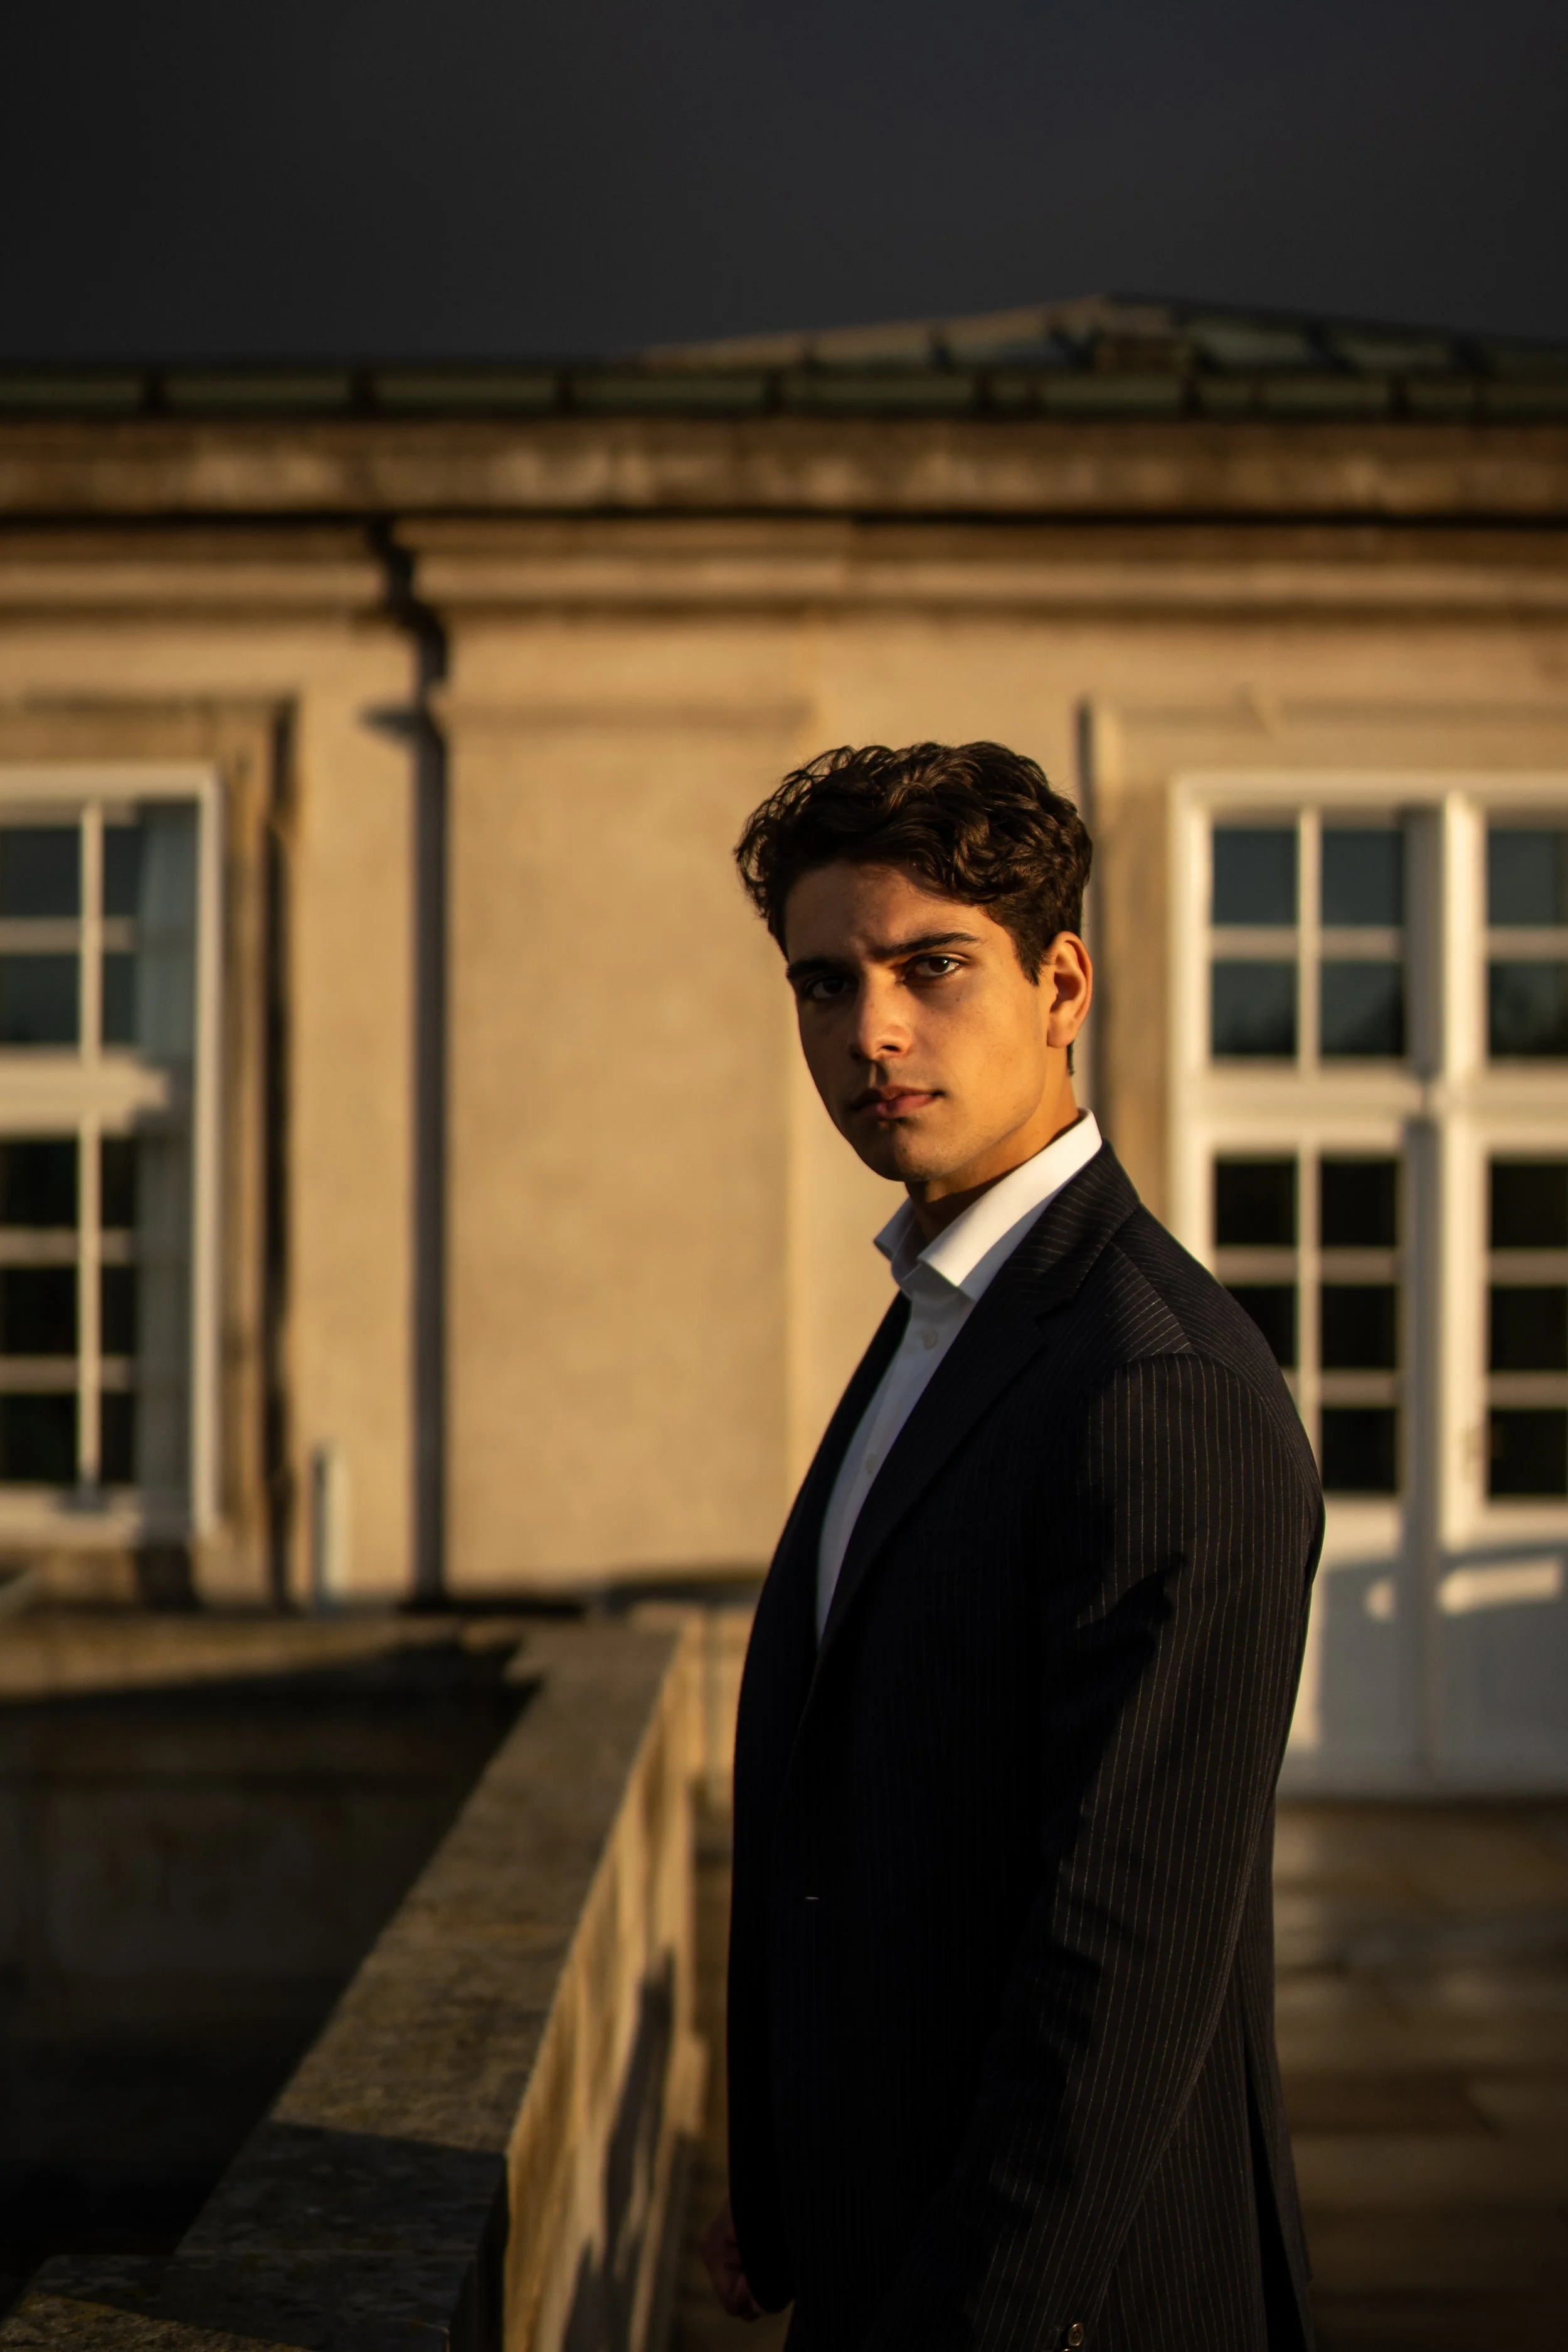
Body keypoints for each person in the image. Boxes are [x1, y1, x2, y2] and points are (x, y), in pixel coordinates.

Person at [701, 742, 1322, 2352]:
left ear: (1060, 986)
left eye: (931, 967)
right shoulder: (946, 1312)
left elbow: (1118, 1965)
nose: (870, 1031)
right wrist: (783, 2170)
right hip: (887, 2234)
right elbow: (858, 1797)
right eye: (824, 983)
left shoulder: (1157, 1382)